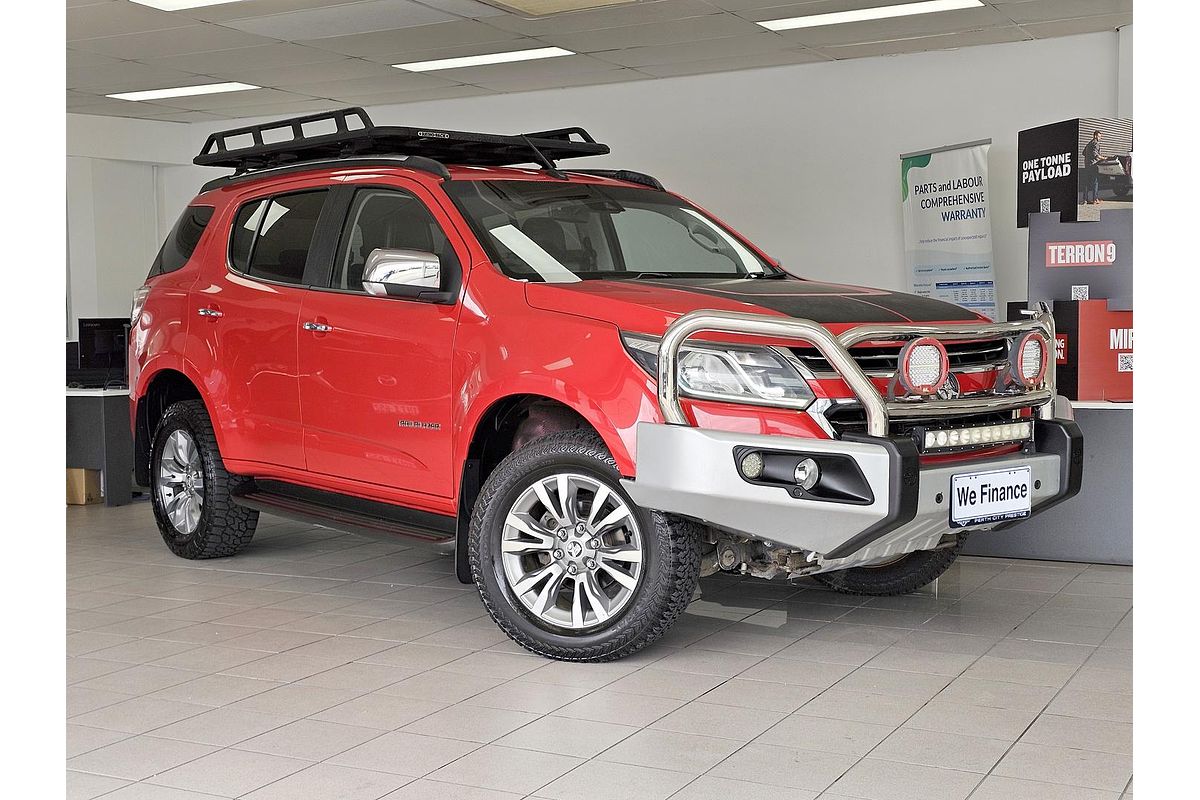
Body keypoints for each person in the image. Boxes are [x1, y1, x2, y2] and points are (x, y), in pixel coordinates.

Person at [1083, 130, 1103, 204]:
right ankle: (1095, 199)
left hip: (1087, 166)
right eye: (1099, 136)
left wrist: (1087, 161)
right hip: (1093, 166)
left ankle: (1085, 200)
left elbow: (1084, 153)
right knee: (1095, 182)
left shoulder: (1088, 144)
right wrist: (1104, 158)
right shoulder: (1096, 143)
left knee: (1087, 183)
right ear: (1095, 136)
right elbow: (1096, 155)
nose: (1100, 138)